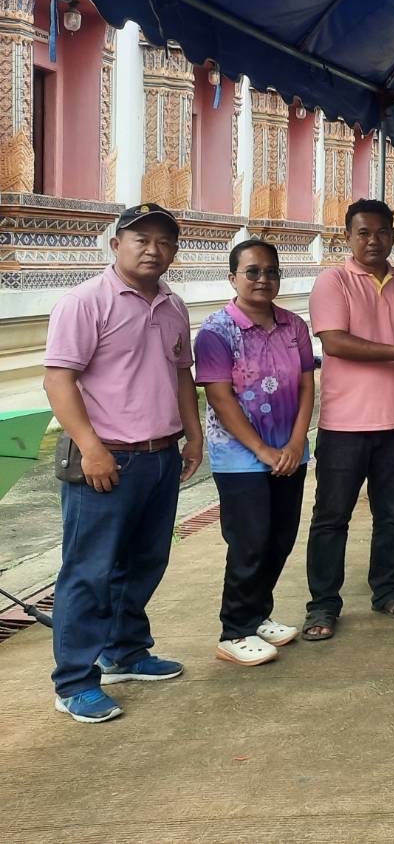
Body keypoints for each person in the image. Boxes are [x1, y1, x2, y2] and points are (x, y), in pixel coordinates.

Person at [42, 204, 203, 722]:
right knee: (88, 573)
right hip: (106, 460)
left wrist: (193, 435)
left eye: (164, 241)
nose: (153, 249)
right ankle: (74, 681)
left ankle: (125, 651)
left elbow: (182, 374)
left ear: (175, 250)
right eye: (141, 239)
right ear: (116, 244)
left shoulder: (174, 305)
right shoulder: (86, 302)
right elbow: (58, 380)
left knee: (146, 562)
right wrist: (90, 447)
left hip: (160, 457)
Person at [303, 198, 394, 642]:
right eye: (363, 233)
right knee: (331, 517)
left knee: (392, 515)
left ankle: (388, 591)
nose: (373, 240)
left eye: (381, 232)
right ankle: (323, 605)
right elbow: (335, 343)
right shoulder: (332, 281)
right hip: (344, 425)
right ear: (347, 236)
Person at [195, 239, 315, 666]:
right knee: (249, 541)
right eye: (252, 272)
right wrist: (263, 450)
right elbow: (220, 398)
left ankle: (257, 613)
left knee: (280, 537)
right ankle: (235, 630)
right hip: (241, 458)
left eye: (271, 271)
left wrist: (297, 442)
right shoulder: (215, 331)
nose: (263, 279)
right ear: (233, 278)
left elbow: (305, 387)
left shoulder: (294, 326)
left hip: (289, 452)